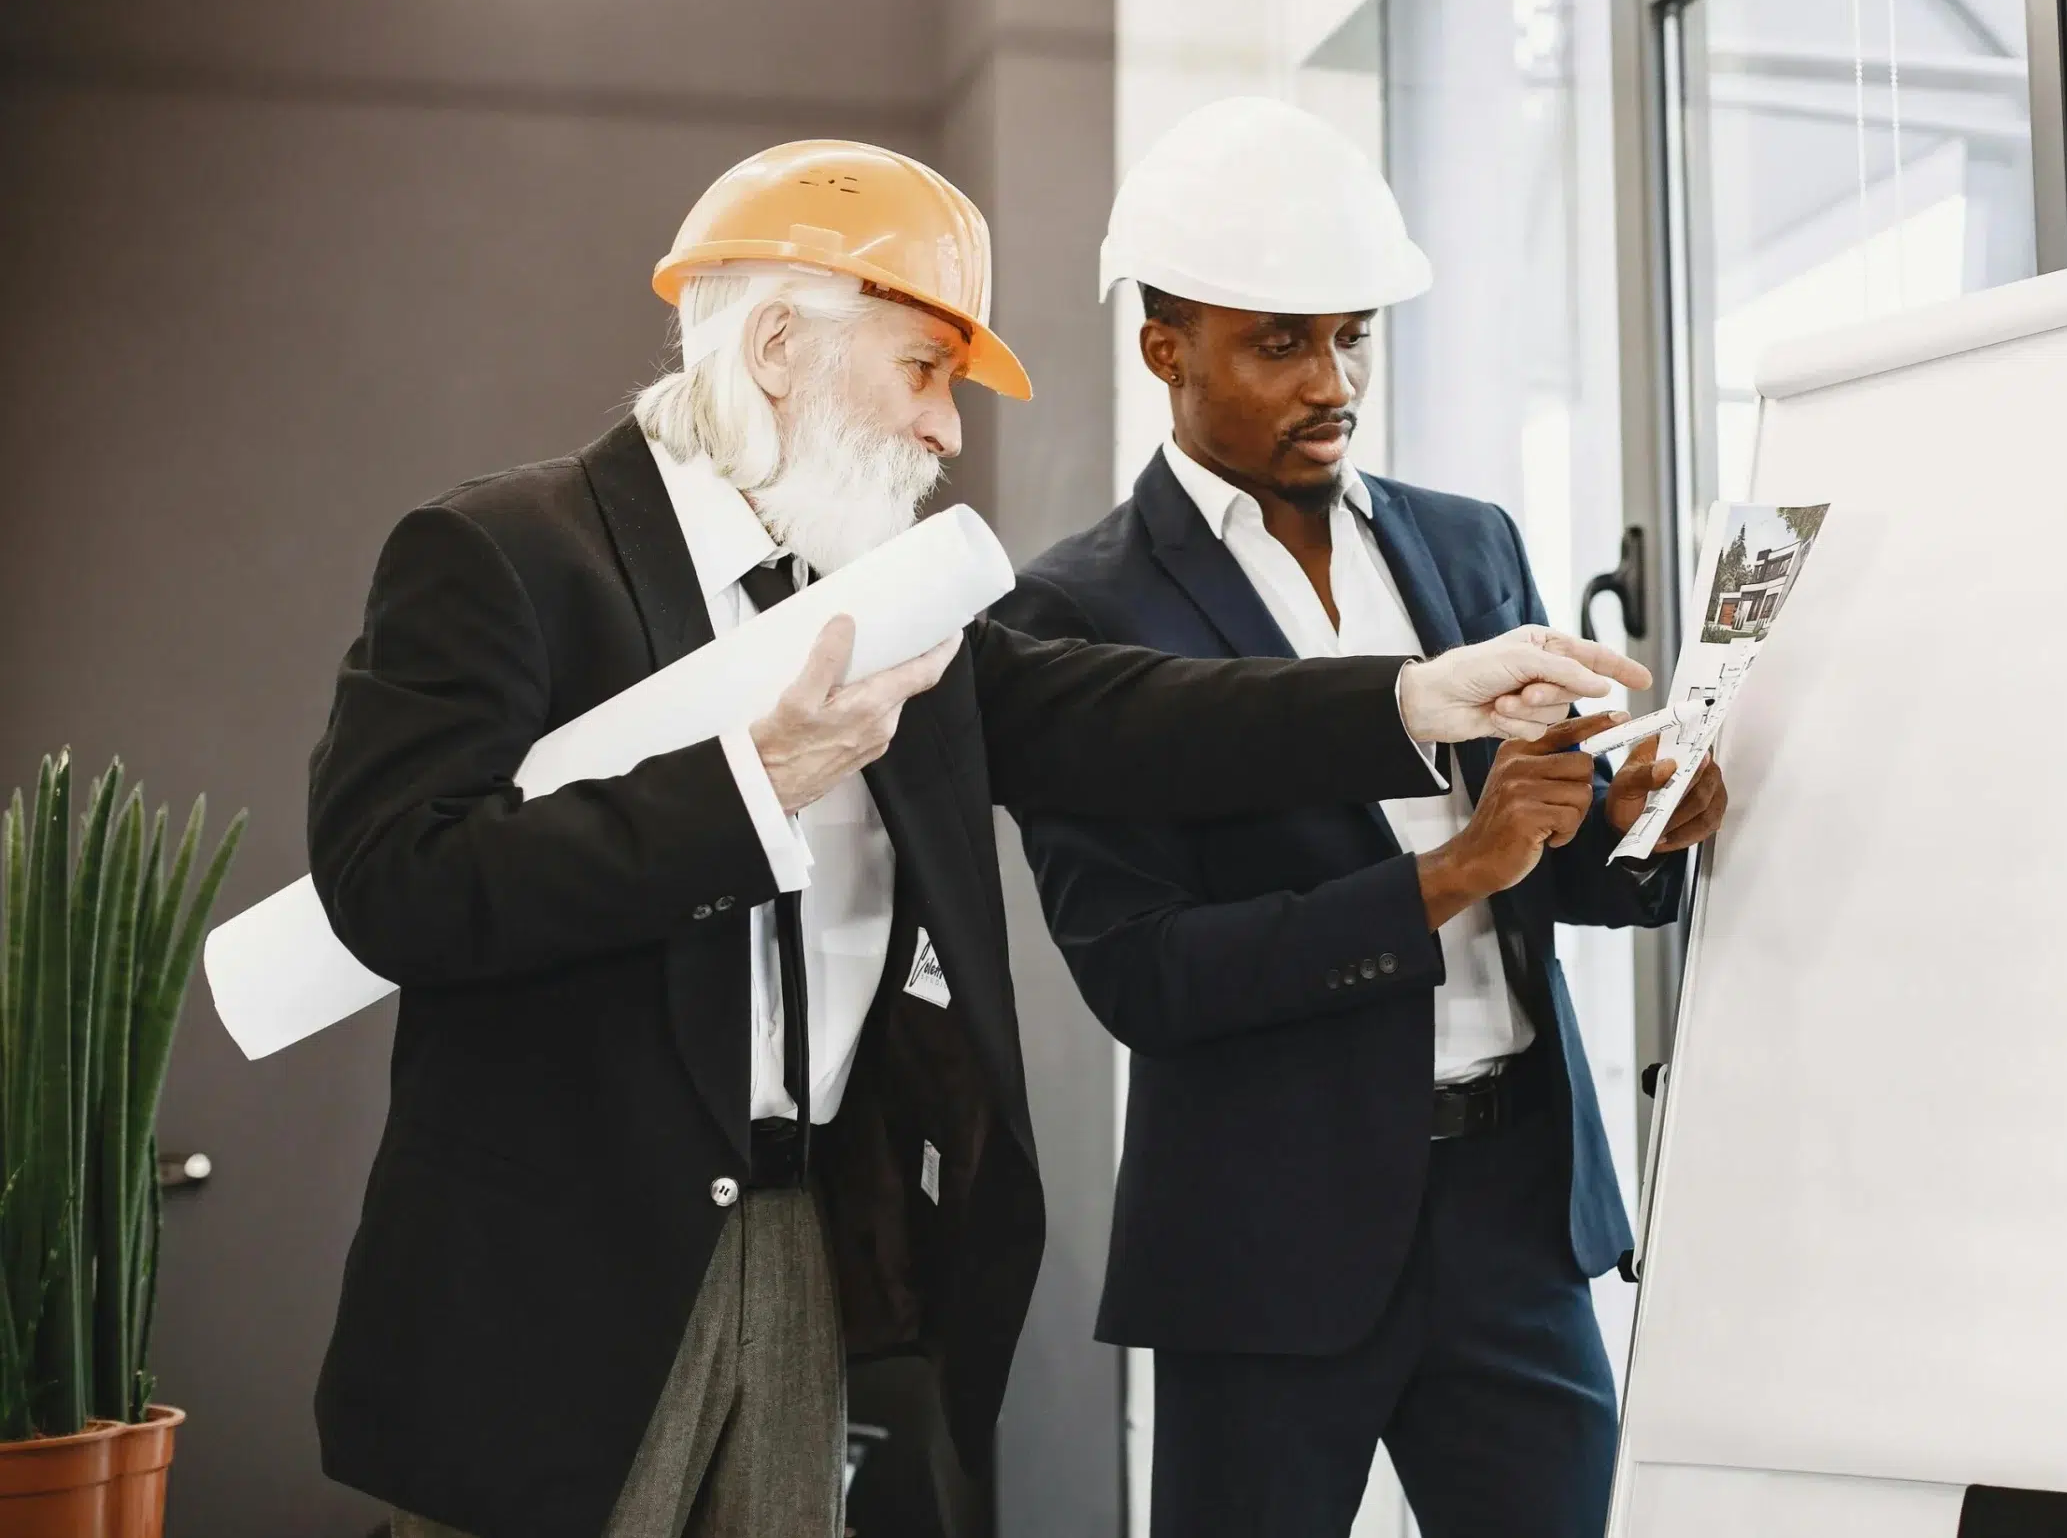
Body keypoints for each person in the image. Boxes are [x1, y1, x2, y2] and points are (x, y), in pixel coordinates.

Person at [304, 139, 1648, 1538]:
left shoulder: (887, 603)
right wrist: (747, 782)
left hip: (796, 1235)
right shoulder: (505, 553)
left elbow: (1130, 712)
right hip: (559, 1278)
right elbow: (393, 881)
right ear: (776, 346)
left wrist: (1415, 696)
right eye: (923, 371)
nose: (948, 431)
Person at [993, 98, 1726, 1538]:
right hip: (1268, 1244)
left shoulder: (1467, 542)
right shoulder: (1075, 618)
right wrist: (1448, 872)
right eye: (1283, 342)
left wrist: (1634, 825)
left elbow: (1544, 848)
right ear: (1166, 349)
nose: (1336, 380)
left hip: (1518, 1217)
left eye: (1356, 335)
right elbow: (1148, 972)